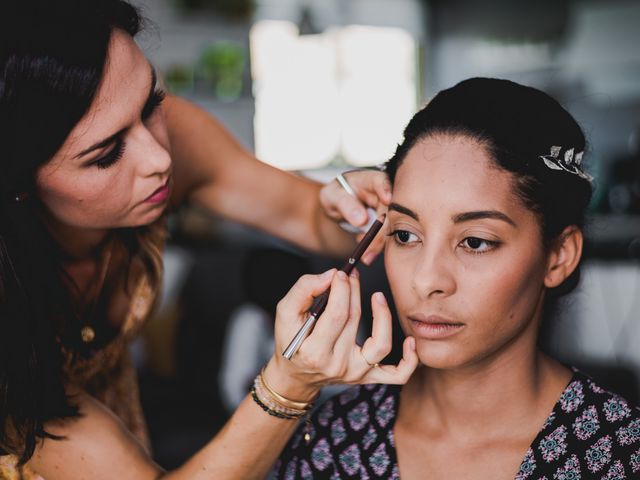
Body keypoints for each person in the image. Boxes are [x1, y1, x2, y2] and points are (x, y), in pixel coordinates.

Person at [0, 1, 419, 478]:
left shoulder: (155, 138)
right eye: (107, 154)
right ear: (16, 183)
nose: (158, 156)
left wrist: (352, 205)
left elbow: (304, 214)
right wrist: (290, 382)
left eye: (152, 103)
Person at [272, 78, 640, 479]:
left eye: (476, 242)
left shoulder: (621, 455)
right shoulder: (333, 437)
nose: (426, 280)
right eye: (406, 235)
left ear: (558, 257)